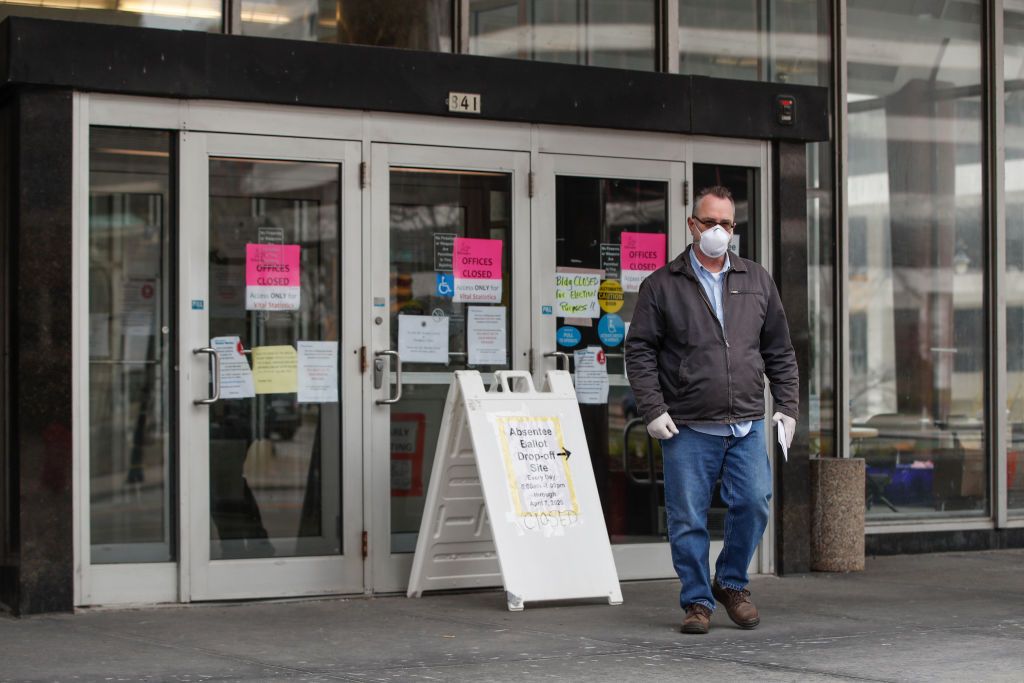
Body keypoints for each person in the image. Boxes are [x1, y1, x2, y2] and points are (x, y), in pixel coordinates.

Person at [624, 185, 798, 635]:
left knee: (755, 503)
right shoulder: (662, 285)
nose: (718, 231)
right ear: (692, 226)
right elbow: (639, 351)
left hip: (744, 422)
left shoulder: (757, 279)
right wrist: (652, 408)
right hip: (687, 425)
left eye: (727, 223)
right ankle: (697, 600)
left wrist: (787, 406)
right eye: (710, 222)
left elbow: (779, 348)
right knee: (687, 518)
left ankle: (731, 583)